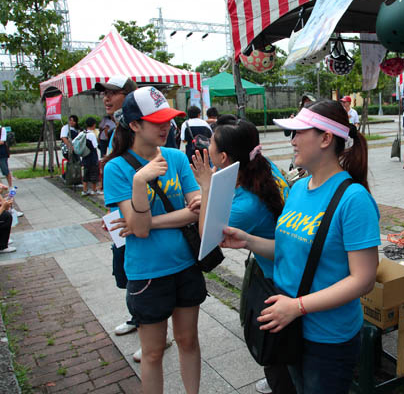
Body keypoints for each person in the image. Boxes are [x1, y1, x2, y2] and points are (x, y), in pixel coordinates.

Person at [221, 100, 380, 394]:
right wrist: (248, 240)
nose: (292, 141)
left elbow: (364, 279)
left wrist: (297, 307)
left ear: (325, 138)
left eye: (298, 133)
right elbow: (285, 249)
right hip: (289, 328)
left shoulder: (353, 199)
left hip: (327, 338)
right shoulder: (298, 189)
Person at [103, 86, 206, 394]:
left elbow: (194, 212)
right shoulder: (117, 168)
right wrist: (140, 180)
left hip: (186, 263)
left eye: (169, 120)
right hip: (147, 272)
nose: (167, 127)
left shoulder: (175, 157)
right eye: (157, 121)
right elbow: (140, 229)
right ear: (134, 124)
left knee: (188, 340)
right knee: (152, 351)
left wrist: (147, 221)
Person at [189, 116, 294, 394]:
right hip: (285, 261)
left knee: (275, 340)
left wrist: (206, 186)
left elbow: (208, 237)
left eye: (210, 141)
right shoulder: (261, 166)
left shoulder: (247, 204)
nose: (206, 144)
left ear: (222, 157)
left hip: (277, 275)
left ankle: (280, 381)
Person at [95, 76, 144, 357]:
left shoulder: (140, 129)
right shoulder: (117, 127)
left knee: (139, 277)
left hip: (138, 218)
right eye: (104, 93)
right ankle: (140, 321)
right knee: (126, 274)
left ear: (128, 95)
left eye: (113, 93)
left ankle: (153, 332)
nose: (106, 97)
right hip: (121, 219)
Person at [81, 117, 102, 196]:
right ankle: (94, 189)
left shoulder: (82, 133)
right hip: (92, 157)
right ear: (93, 125)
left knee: (85, 174)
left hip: (85, 156)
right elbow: (95, 146)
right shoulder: (92, 134)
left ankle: (85, 190)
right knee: (94, 174)